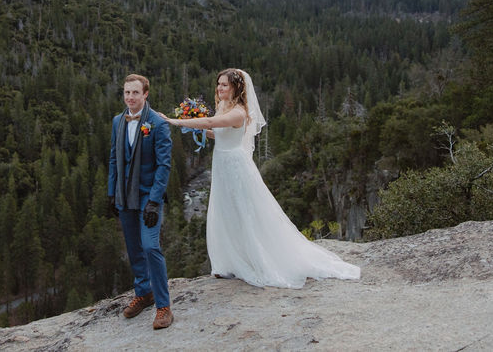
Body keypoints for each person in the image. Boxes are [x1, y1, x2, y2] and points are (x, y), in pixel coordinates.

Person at [164, 68, 360, 289]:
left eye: (225, 84)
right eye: (219, 84)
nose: (219, 88)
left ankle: (256, 260)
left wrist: (178, 122)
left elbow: (211, 124)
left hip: (235, 166)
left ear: (236, 87)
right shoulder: (222, 106)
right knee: (226, 209)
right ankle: (233, 261)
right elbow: (217, 132)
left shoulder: (239, 111)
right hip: (222, 164)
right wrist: (197, 130)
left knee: (244, 211)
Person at [107, 73, 174, 330]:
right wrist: (112, 193)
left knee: (150, 246)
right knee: (134, 247)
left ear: (146, 94)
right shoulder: (117, 122)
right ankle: (143, 293)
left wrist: (155, 202)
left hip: (148, 194)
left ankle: (163, 305)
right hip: (125, 193)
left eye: (135, 93)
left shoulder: (157, 123)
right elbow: (114, 158)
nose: (130, 98)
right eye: (126, 93)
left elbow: (164, 165)